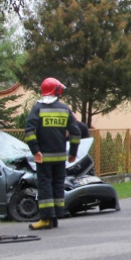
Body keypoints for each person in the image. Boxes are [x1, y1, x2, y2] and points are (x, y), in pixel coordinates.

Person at [25, 77, 81, 230]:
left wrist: (35, 150)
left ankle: (45, 219)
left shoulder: (38, 108)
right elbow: (75, 132)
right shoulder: (64, 109)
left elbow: (29, 130)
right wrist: (73, 152)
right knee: (57, 185)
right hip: (60, 157)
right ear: (56, 90)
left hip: (44, 157)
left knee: (45, 186)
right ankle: (55, 217)